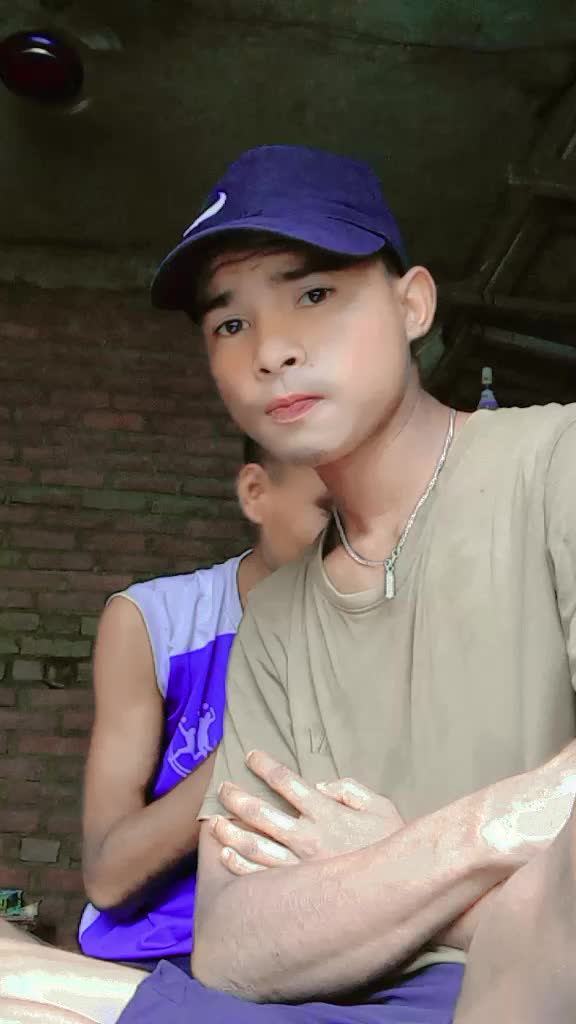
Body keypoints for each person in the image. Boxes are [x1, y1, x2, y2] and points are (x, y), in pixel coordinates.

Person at [2, 145, 576, 1024]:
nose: (271, 350)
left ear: (413, 303)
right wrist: (489, 840)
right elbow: (235, 945)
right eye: (230, 324)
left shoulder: (556, 466)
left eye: (313, 295)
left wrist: (380, 866)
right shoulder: (273, 622)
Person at [78, 434, 329, 971]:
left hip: (313, 952)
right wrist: (257, 743)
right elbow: (108, 876)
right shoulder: (156, 622)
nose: (360, 541)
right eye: (332, 511)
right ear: (256, 492)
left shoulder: (394, 637)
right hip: (154, 953)